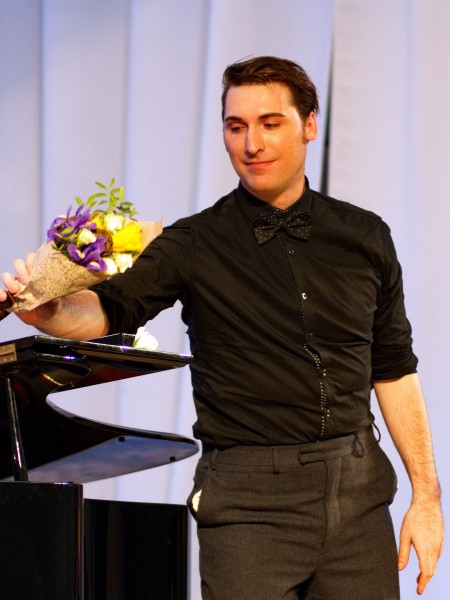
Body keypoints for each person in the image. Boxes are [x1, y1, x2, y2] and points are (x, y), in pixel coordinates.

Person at [0, 56, 443, 599]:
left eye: (270, 123)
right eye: (236, 127)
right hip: (249, 504)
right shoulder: (192, 243)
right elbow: (111, 309)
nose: (251, 144)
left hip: (359, 495)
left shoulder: (366, 236)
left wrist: (427, 498)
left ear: (310, 124)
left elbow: (394, 369)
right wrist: (48, 311)